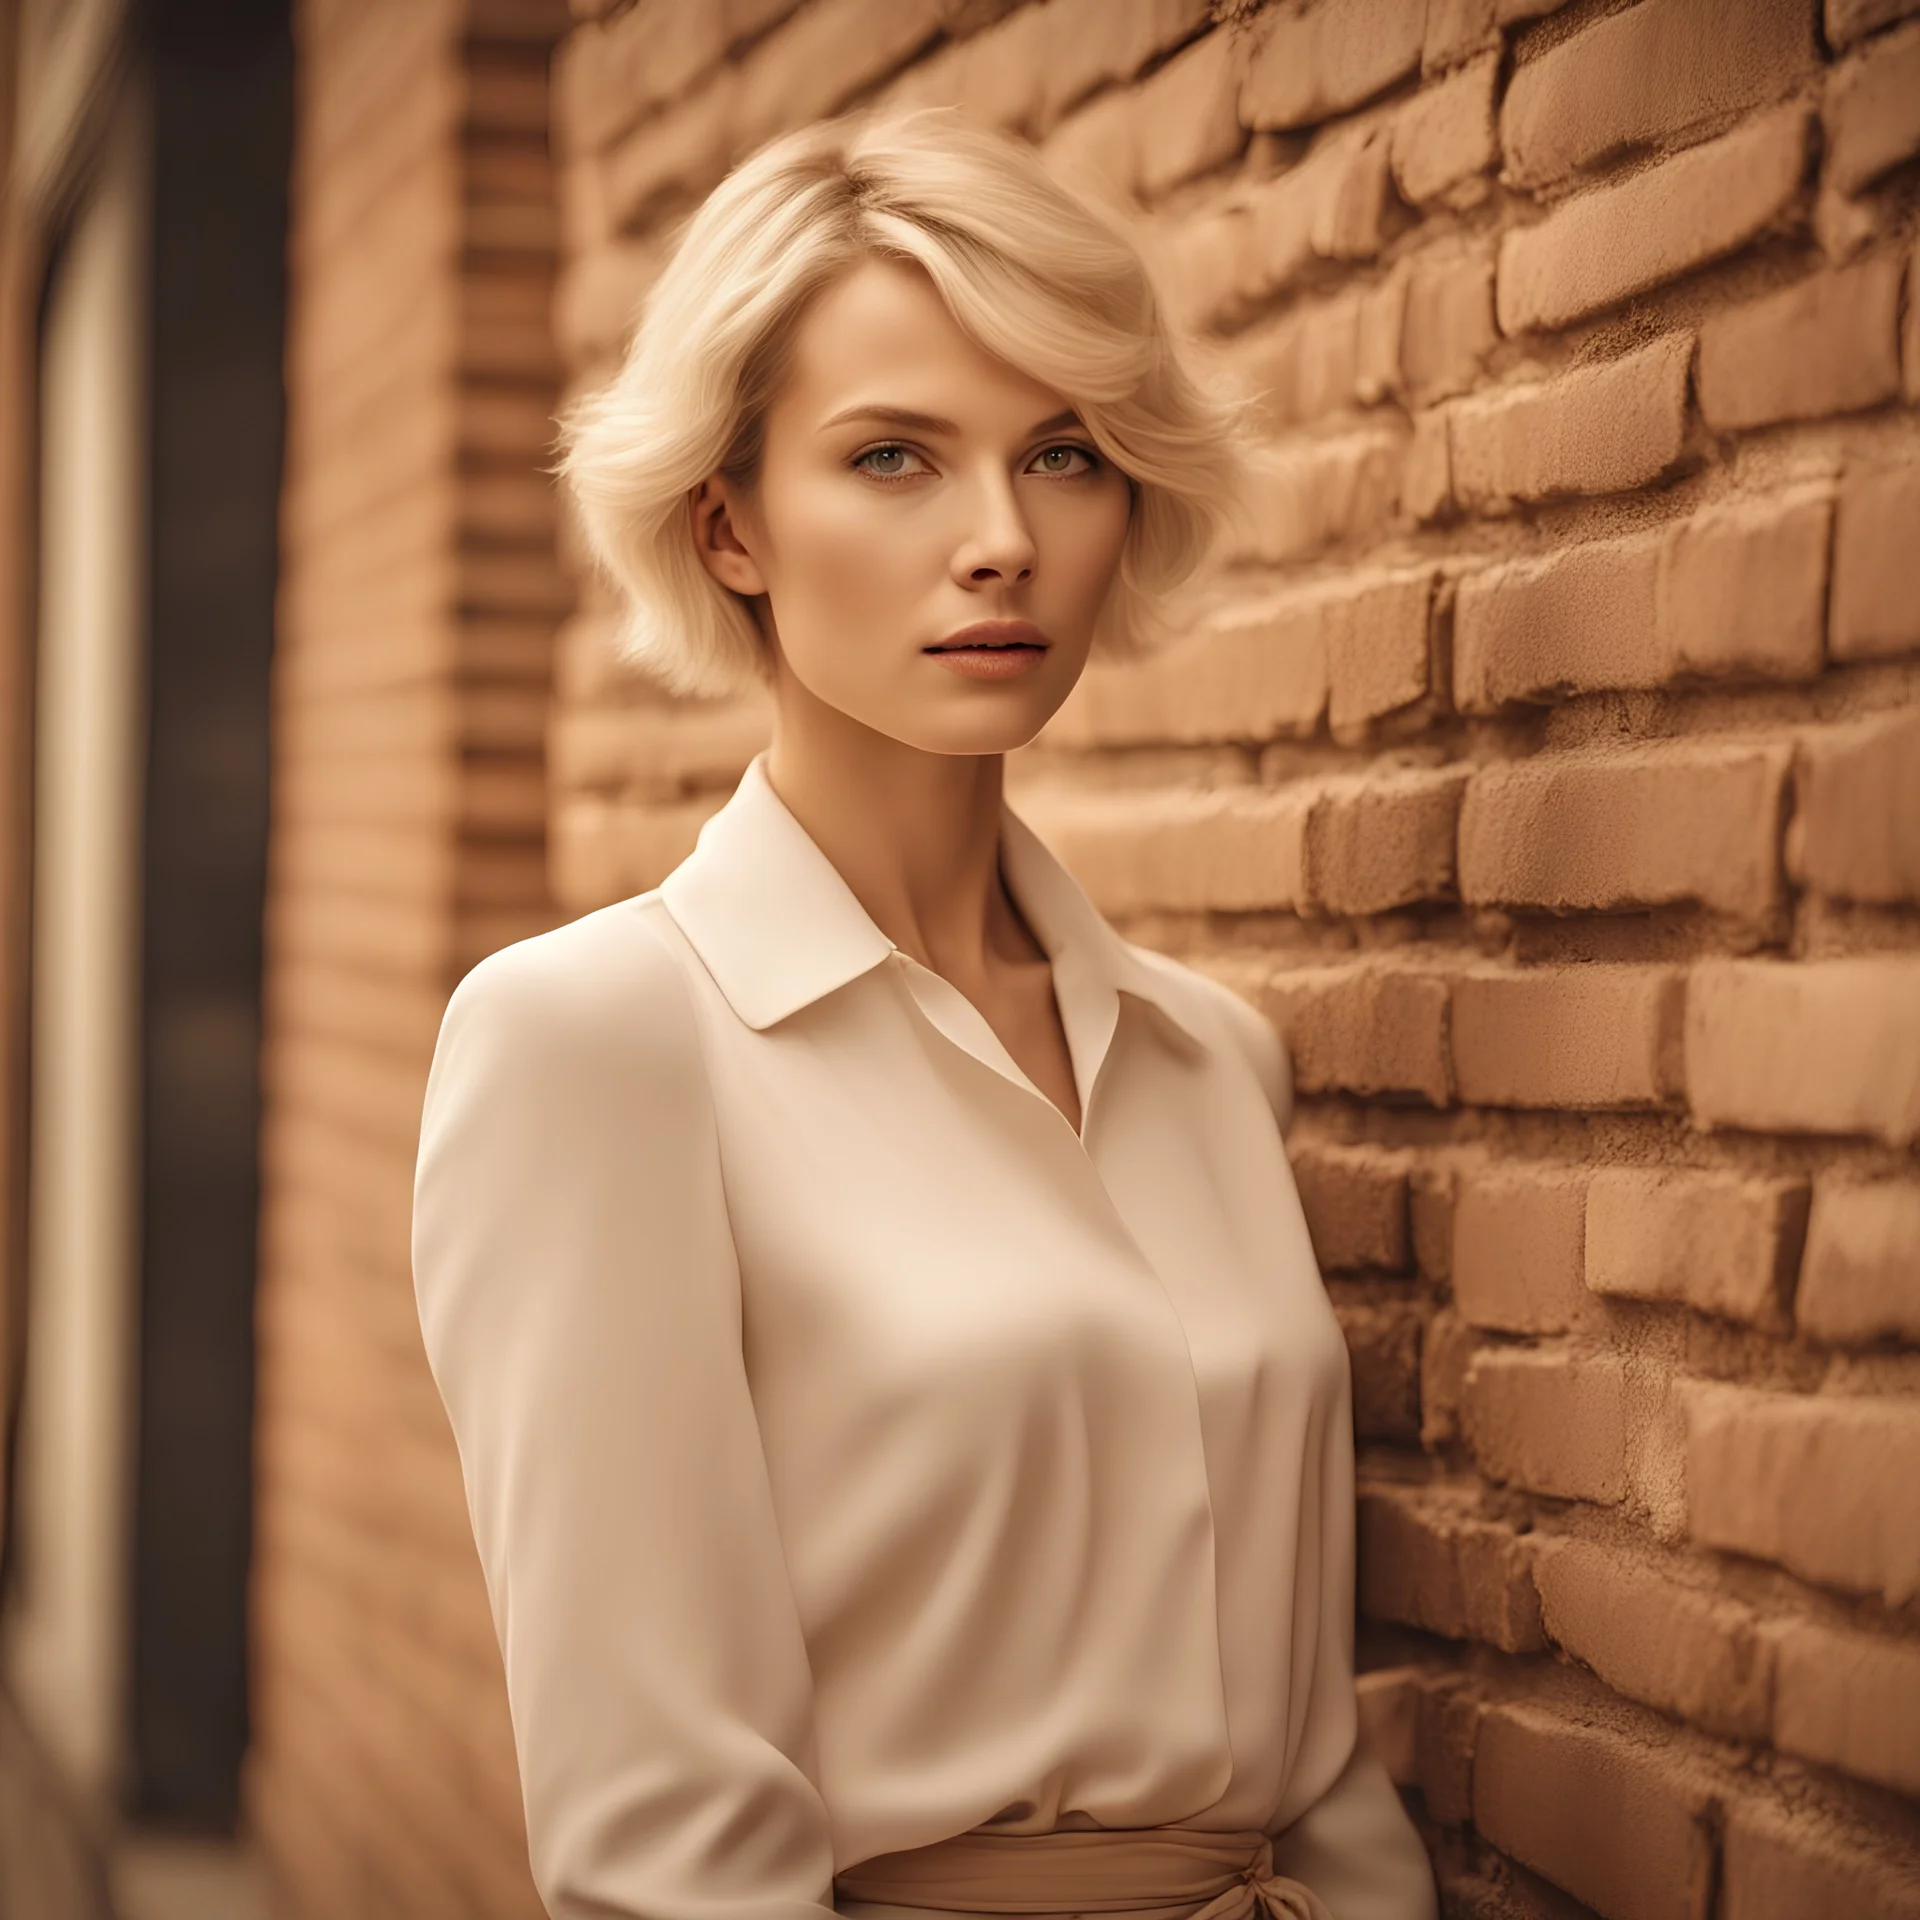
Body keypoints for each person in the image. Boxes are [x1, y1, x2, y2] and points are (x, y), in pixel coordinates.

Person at [411, 107, 1438, 1920]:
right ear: (728, 525)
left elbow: (1321, 1765)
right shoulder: (596, 1044)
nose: (1000, 542)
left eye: (1061, 454)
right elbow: (662, 1845)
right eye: (892, 457)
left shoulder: (1212, 1060)